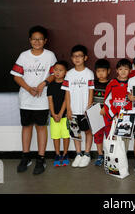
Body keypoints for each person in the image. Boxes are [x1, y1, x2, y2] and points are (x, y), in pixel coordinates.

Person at [10, 25, 57, 175]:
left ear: (45, 41)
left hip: (42, 99)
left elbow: (54, 74)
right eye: (34, 39)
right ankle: (26, 157)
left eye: (40, 39)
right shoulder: (24, 55)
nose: (37, 42)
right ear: (30, 40)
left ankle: (41, 158)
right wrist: (29, 88)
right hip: (26, 99)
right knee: (27, 127)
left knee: (41, 127)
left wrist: (43, 84)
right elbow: (16, 76)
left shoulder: (50, 55)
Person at [62, 44, 95, 168]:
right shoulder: (69, 74)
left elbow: (91, 90)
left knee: (87, 131)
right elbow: (67, 92)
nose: (77, 59)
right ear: (71, 58)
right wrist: (68, 109)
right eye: (75, 56)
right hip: (73, 110)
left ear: (85, 58)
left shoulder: (89, 73)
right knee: (75, 132)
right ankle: (78, 154)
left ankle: (87, 154)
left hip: (84, 110)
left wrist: (89, 107)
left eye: (80, 56)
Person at [102, 59, 132, 138]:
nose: (123, 71)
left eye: (126, 69)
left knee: (124, 143)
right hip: (114, 117)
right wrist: (114, 115)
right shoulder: (112, 83)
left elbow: (133, 101)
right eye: (120, 69)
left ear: (130, 70)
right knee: (113, 142)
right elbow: (107, 101)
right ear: (117, 70)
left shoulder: (132, 83)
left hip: (126, 118)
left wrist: (128, 115)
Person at [47, 60, 70, 167]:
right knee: (56, 136)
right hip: (54, 116)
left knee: (65, 136)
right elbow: (50, 100)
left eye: (60, 70)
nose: (57, 72)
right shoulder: (51, 85)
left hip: (65, 115)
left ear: (65, 72)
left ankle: (65, 154)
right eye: (55, 70)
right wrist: (53, 114)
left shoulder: (67, 84)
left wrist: (60, 114)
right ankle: (57, 154)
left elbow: (66, 99)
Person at [92, 59, 111, 166]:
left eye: (103, 71)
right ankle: (100, 155)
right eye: (98, 71)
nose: (100, 73)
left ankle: (109, 155)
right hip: (95, 115)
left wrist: (106, 108)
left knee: (109, 136)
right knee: (98, 137)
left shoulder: (111, 84)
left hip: (107, 115)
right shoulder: (93, 84)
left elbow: (113, 100)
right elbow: (90, 98)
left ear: (108, 71)